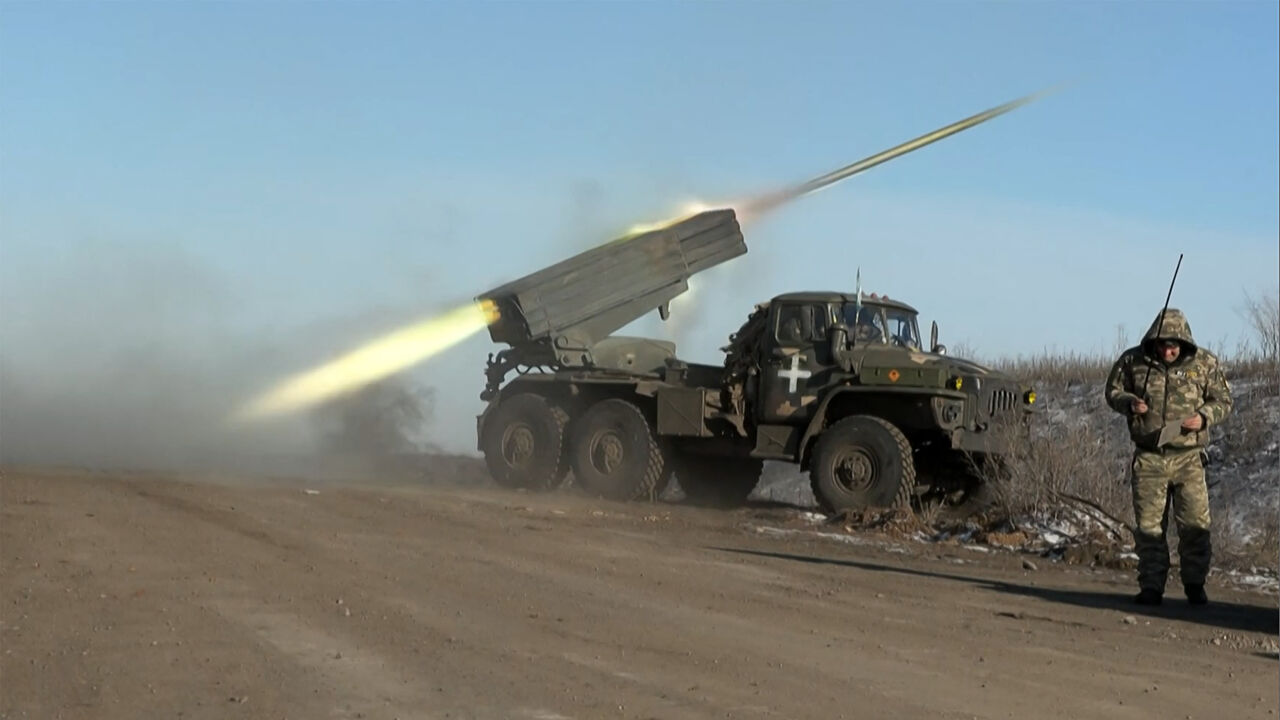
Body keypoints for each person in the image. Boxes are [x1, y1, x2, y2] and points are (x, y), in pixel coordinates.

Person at [1105, 307, 1232, 606]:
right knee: (1149, 529)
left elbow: (1223, 400)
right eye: (1163, 344)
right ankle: (1151, 587)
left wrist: (1203, 417)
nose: (1168, 350)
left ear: (1183, 342)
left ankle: (1194, 584)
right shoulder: (1132, 361)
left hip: (1189, 457)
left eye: (1174, 345)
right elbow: (1112, 391)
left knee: (1194, 526)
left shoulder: (1204, 363)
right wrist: (1129, 403)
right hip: (1149, 458)